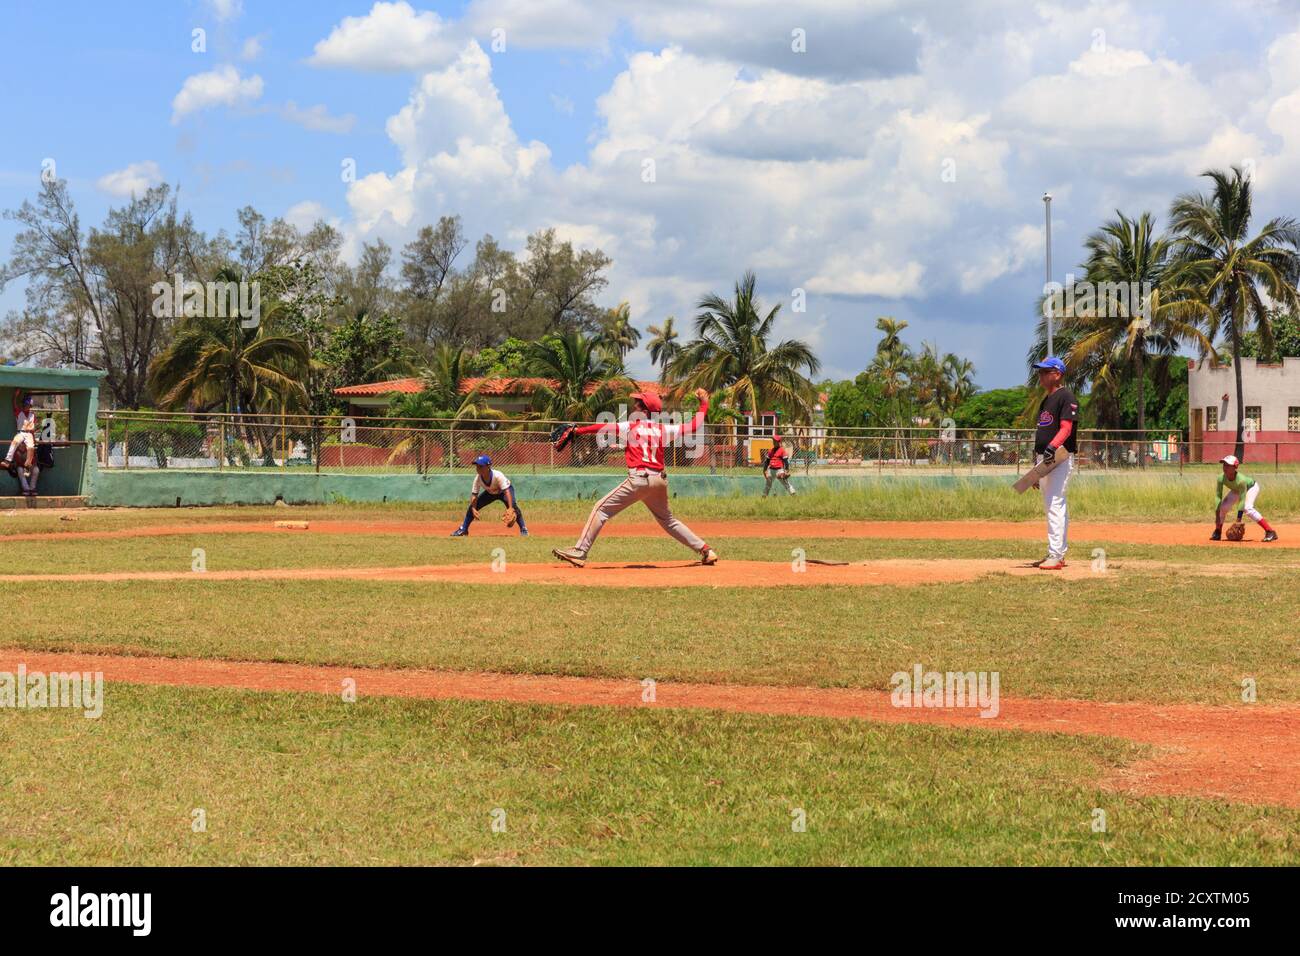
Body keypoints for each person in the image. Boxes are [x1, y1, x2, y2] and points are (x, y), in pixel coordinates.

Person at [551, 388, 718, 568]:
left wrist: (578, 431)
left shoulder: (630, 426)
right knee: (668, 520)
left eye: (636, 404)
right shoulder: (664, 429)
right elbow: (694, 425)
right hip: (659, 481)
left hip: (639, 479)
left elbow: (601, 427)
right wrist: (704, 404)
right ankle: (706, 550)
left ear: (643, 410)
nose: (633, 407)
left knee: (600, 509)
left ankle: (580, 551)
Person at [1030, 357, 1078, 570]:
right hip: (1045, 457)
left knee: (1055, 503)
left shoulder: (1066, 397)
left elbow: (1066, 428)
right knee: (1053, 504)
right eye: (1040, 372)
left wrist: (1052, 447)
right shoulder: (1046, 400)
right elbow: (1042, 432)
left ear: (1057, 374)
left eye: (1044, 372)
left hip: (1060, 455)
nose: (1040, 376)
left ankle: (1056, 555)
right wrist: (1036, 469)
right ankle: (1057, 552)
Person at [450, 454, 528, 536]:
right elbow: (474, 495)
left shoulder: (498, 475)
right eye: (477, 466)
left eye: (481, 466)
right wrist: (473, 509)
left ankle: (524, 529)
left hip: (504, 492)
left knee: (513, 508)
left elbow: (507, 491)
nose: (478, 468)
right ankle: (464, 529)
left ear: (488, 467)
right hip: (490, 493)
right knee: (472, 507)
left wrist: (511, 507)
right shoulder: (478, 478)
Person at [1211, 455, 1278, 542]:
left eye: (1228, 465)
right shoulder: (1221, 478)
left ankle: (1270, 531)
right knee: (1223, 507)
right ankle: (1218, 531)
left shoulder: (1241, 480)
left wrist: (1238, 520)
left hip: (1251, 487)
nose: (1225, 467)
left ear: (1235, 467)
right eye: (1224, 464)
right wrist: (1217, 515)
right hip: (1237, 489)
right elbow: (1218, 496)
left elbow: (1242, 500)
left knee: (1247, 508)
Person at [3, 393, 37, 476]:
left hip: (29, 433)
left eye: (28, 405)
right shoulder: (19, 412)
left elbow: (32, 429)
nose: (26, 406)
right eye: (25, 404)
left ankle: (27, 466)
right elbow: (14, 404)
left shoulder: (33, 415)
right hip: (20, 432)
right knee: (15, 442)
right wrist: (15, 396)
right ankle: (7, 460)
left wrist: (34, 438)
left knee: (31, 447)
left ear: (30, 406)